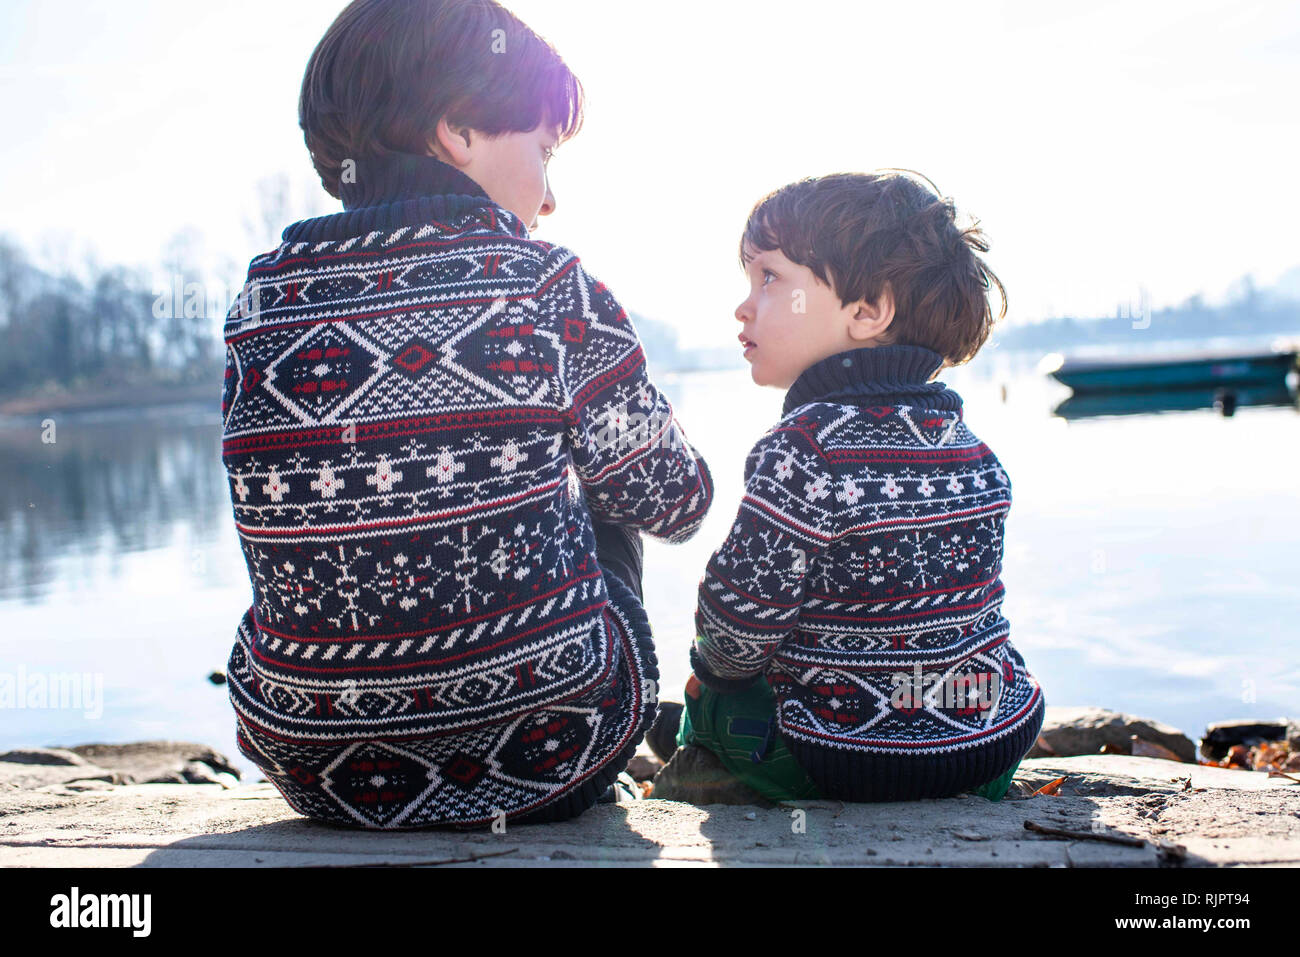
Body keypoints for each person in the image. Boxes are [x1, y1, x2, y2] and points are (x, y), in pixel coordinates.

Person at [220, 0, 712, 829]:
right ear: (457, 129)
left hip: (316, 768)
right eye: (545, 151)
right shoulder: (545, 284)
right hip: (549, 754)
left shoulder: (259, 303)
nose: (550, 195)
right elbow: (675, 502)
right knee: (600, 482)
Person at [669, 171, 1044, 803]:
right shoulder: (973, 450)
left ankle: (695, 765)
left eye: (769, 279)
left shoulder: (803, 450)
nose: (744, 305)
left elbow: (737, 628)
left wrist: (710, 672)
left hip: (849, 759)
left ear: (867, 312)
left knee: (713, 691)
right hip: (991, 745)